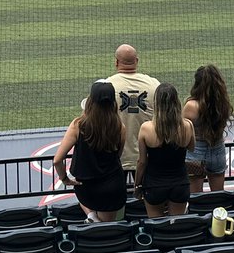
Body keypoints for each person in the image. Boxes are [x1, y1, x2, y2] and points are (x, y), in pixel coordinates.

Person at [54, 82, 126, 222]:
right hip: (112, 185)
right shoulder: (120, 127)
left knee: (99, 228)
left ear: (90, 102)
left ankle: (92, 216)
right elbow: (118, 155)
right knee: (106, 229)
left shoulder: (78, 125)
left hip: (86, 187)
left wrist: (64, 179)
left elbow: (57, 160)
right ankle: (93, 218)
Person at [136, 83, 196, 217]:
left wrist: (137, 185)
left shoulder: (146, 128)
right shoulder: (187, 126)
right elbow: (192, 148)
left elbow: (142, 162)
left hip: (154, 186)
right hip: (180, 184)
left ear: (156, 103)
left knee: (156, 225)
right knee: (176, 225)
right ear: (176, 102)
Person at [103, 44, 161, 176]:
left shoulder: (106, 86)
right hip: (148, 156)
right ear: (137, 61)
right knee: (144, 189)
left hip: (115, 156)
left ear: (116, 62)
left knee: (116, 190)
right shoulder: (154, 84)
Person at [184, 65, 232, 194]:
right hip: (217, 150)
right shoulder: (223, 104)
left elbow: (183, 132)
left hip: (195, 153)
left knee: (196, 197)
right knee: (218, 195)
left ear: (197, 83)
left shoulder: (191, 106)